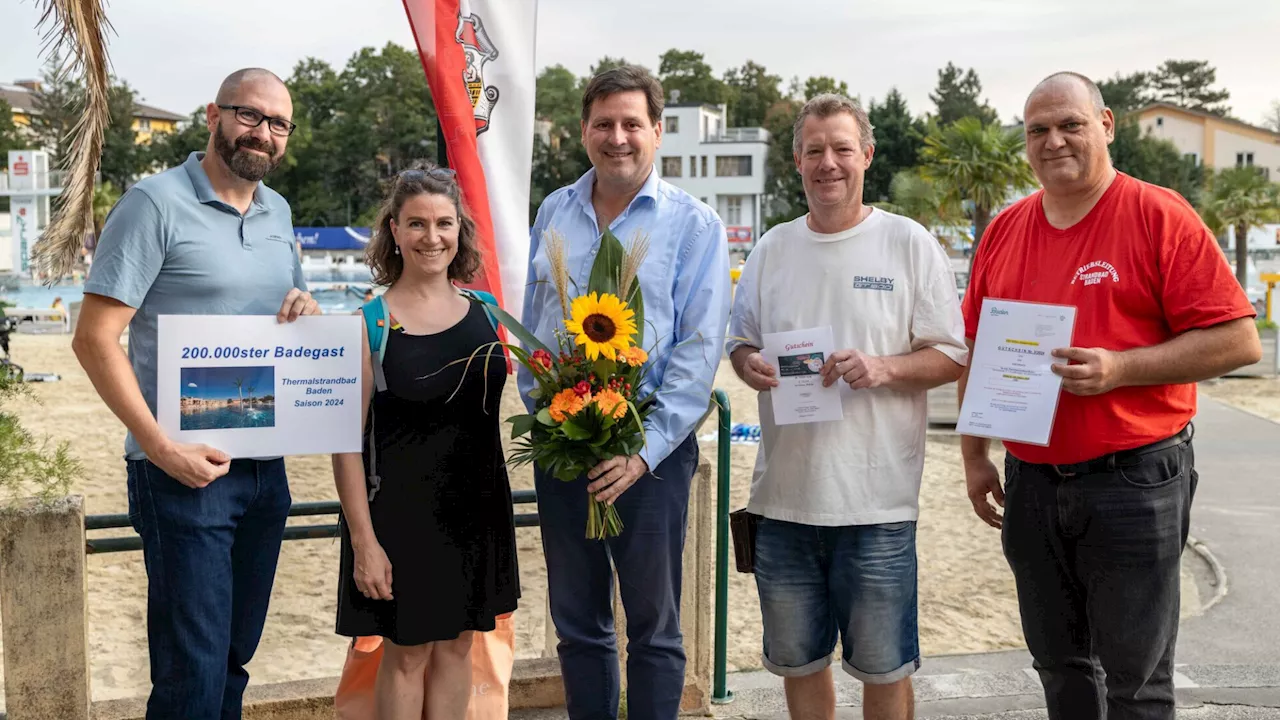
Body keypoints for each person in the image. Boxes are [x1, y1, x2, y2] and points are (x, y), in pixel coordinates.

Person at [959, 72, 1262, 719]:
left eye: (1069, 124)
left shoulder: (1158, 215)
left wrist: (1120, 368)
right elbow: (977, 349)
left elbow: (1239, 340)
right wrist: (973, 457)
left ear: (1107, 125)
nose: (1053, 140)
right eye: (1037, 130)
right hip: (1033, 483)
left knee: (1136, 681)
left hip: (1135, 481)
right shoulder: (1006, 230)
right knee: (1059, 666)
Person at [72, 68, 317, 720]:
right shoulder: (153, 204)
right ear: (214, 114)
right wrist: (160, 447)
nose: (261, 133)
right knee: (193, 676)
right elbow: (95, 340)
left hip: (267, 468)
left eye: (277, 123)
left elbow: (284, 315)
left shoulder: (278, 212)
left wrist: (304, 308)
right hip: (181, 473)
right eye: (249, 115)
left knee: (233, 663)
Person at [726, 94, 967, 720]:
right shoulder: (772, 249)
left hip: (877, 504)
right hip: (783, 502)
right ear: (797, 162)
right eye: (813, 151)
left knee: (885, 670)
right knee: (800, 665)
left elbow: (951, 355)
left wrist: (885, 367)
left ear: (867, 153)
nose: (827, 163)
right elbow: (742, 342)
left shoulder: (907, 243)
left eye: (840, 148)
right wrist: (747, 361)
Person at [519, 65, 730, 720]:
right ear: (584, 131)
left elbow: (699, 353)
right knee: (577, 624)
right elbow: (533, 331)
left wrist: (641, 453)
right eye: (603, 124)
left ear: (657, 132)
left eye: (631, 124)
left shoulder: (694, 226)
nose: (617, 138)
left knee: (654, 630)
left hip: (650, 459)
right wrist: (552, 415)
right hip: (567, 449)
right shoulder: (556, 209)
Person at [332, 166, 519, 720]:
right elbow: (344, 446)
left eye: (443, 223)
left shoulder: (488, 313)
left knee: (461, 643)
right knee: (408, 654)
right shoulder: (371, 323)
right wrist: (365, 543)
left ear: (460, 228)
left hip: (477, 512)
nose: (431, 237)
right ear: (394, 230)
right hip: (401, 519)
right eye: (416, 224)